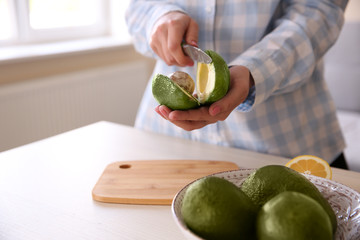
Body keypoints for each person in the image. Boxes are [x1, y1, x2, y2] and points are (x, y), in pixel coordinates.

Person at [125, 0, 349, 169]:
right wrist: (159, 17)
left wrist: (255, 70)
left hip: (286, 150)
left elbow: (320, 10)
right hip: (168, 146)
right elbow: (137, 6)